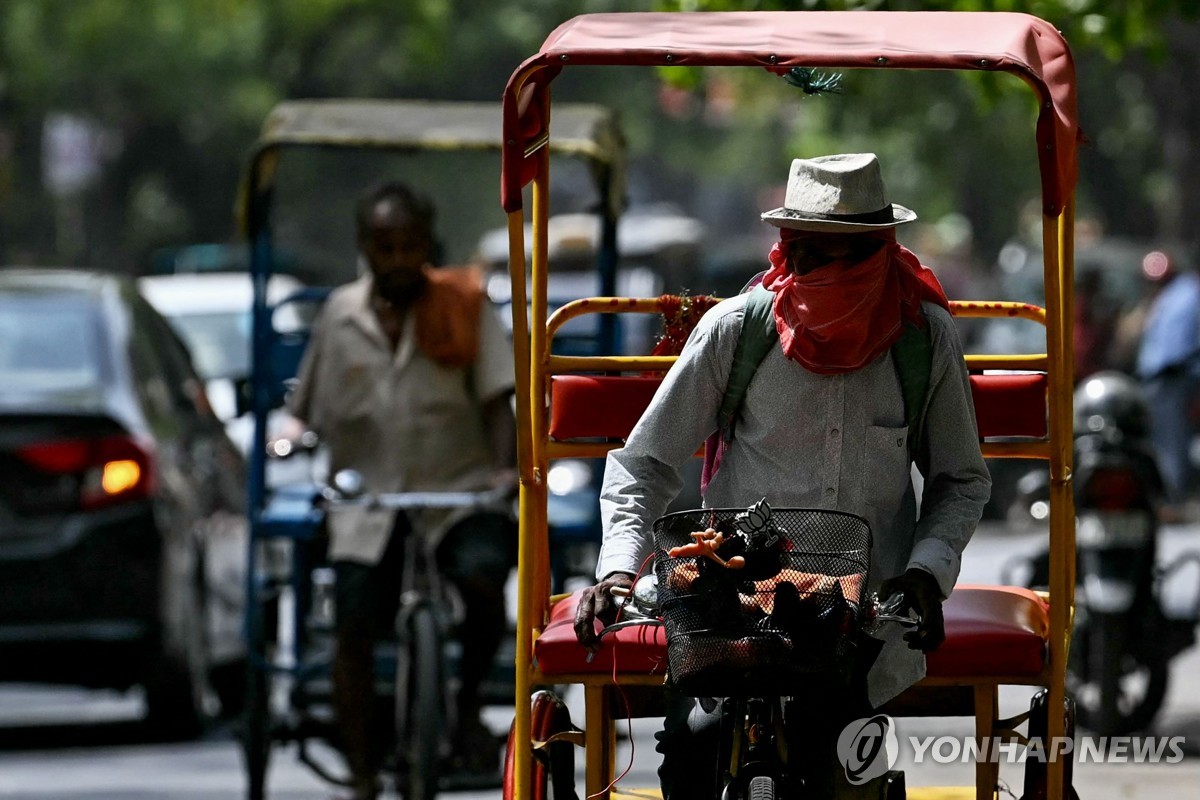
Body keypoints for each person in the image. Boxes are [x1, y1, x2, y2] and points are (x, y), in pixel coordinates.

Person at [573, 153, 991, 798]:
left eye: (845, 256)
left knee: (850, 773)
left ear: (881, 250)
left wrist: (926, 574)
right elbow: (644, 464)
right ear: (786, 251)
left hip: (862, 617)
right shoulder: (735, 331)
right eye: (806, 255)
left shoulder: (923, 338)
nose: (821, 274)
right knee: (693, 756)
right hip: (729, 611)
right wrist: (619, 568)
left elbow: (959, 479)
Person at [286, 182, 518, 800]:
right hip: (368, 504)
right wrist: (290, 439)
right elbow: (303, 409)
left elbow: (500, 401)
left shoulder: (465, 303)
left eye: (408, 246)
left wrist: (502, 473)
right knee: (354, 625)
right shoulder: (339, 315)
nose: (396, 259)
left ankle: (467, 706)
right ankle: (364, 771)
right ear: (365, 247)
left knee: (483, 579)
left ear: (426, 246)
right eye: (384, 247)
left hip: (459, 493)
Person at [1134, 249, 1200, 520]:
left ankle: (1174, 499)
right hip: (1156, 380)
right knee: (1158, 442)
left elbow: (1179, 344)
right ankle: (1163, 497)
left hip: (1175, 377)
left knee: (1173, 441)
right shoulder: (1162, 299)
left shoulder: (1188, 293)